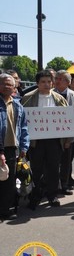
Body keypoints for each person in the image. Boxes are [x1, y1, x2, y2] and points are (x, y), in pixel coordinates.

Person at [21, 70, 72, 209]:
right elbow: (22, 121)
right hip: (35, 141)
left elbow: (67, 120)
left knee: (54, 169)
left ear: (53, 82)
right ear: (37, 83)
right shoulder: (27, 98)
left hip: (54, 140)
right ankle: (35, 196)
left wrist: (68, 139)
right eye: (43, 82)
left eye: (49, 82)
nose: (46, 84)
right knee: (36, 169)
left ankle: (52, 195)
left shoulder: (59, 99)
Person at [0, 74, 29, 220]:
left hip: (12, 148)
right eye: (3, 84)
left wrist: (24, 147)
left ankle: (5, 210)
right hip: (0, 149)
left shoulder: (18, 106)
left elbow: (24, 128)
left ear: (14, 87)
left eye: (9, 84)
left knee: (9, 182)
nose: (6, 87)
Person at [53, 70, 74, 195]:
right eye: (56, 78)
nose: (57, 81)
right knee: (53, 161)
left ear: (68, 82)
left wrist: (70, 137)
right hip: (53, 134)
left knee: (67, 161)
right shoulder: (50, 95)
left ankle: (65, 184)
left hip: (69, 134)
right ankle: (53, 185)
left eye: (60, 79)